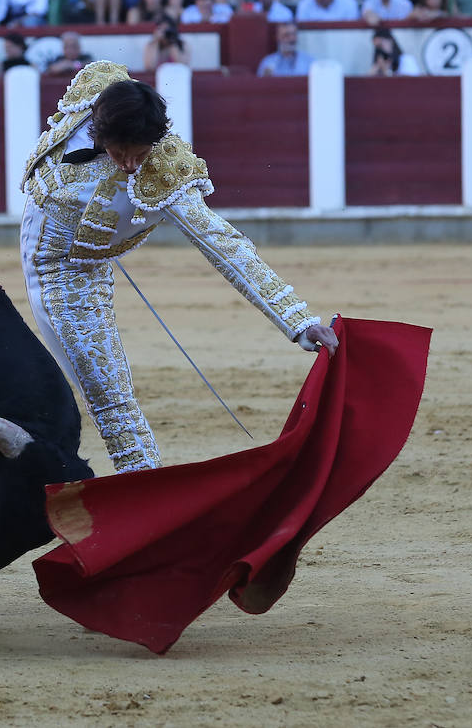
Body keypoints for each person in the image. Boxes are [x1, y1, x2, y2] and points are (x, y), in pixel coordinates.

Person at [19, 66, 336, 472]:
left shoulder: (165, 171)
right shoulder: (95, 86)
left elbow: (222, 243)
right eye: (121, 153)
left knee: (110, 398)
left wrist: (298, 321)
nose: (132, 165)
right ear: (99, 130)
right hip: (55, 259)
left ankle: (148, 492)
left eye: (141, 153)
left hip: (71, 279)